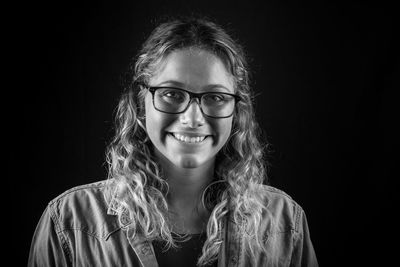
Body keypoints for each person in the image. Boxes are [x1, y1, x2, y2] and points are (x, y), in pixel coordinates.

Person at [28, 16, 318, 267]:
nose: (193, 118)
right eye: (172, 94)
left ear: (237, 112)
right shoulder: (68, 222)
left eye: (215, 97)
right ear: (141, 104)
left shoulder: (284, 222)